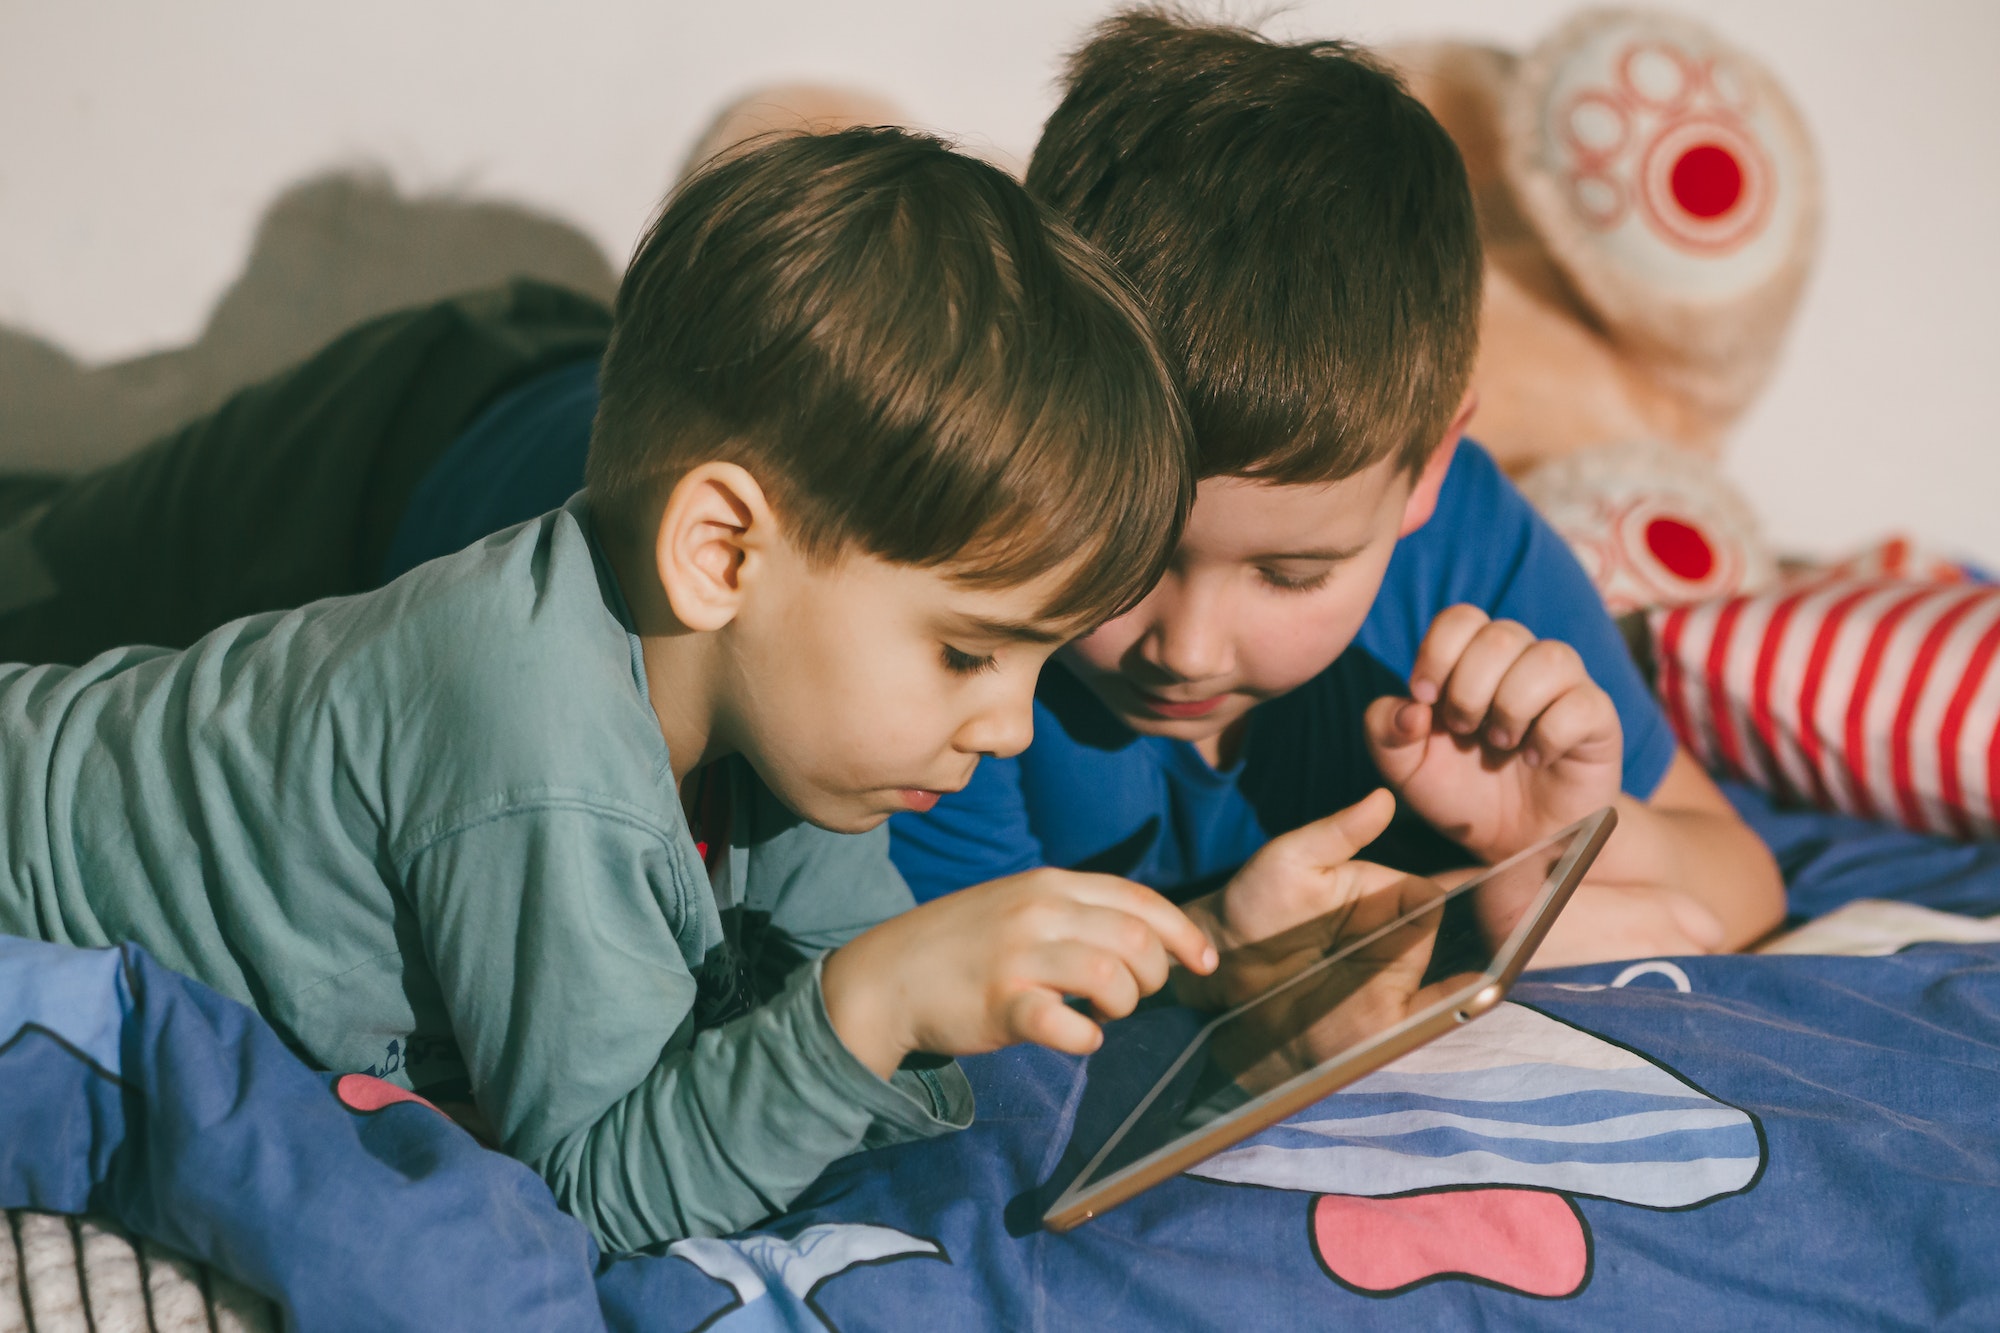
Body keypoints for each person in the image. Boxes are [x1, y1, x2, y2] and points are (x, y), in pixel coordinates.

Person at [0, 128, 1250, 1256]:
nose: (1012, 725)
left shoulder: (783, 738)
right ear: (721, 555)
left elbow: (834, 1008)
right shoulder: (537, 750)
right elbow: (594, 1190)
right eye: (968, 654)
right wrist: (865, 1006)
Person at [888, 12, 1785, 966]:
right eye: (1128, 550)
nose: (1185, 650)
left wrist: (1554, 845)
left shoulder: (1461, 553)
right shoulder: (963, 628)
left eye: (1292, 574)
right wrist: (1224, 962)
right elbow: (944, 1020)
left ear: (1426, 474)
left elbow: (1745, 879)